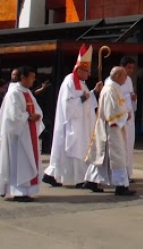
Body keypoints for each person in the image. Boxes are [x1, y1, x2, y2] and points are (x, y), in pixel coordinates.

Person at [43, 45, 100, 188]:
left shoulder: (82, 83)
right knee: (75, 150)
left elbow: (87, 101)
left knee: (76, 151)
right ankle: (78, 179)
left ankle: (53, 175)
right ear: (79, 70)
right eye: (86, 71)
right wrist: (83, 98)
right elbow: (67, 105)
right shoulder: (70, 82)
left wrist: (94, 93)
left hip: (81, 123)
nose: (88, 74)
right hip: (72, 124)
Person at [0, 66, 44, 202]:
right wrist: (29, 116)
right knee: (18, 163)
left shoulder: (27, 92)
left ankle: (25, 190)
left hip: (27, 133)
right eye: (31, 77)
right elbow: (12, 116)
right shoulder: (13, 93)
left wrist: (37, 116)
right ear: (23, 77)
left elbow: (36, 109)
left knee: (27, 161)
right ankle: (17, 191)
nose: (33, 80)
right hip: (16, 137)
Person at [84, 66, 134, 196]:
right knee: (116, 157)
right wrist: (125, 116)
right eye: (124, 75)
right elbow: (111, 112)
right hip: (112, 128)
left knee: (103, 157)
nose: (126, 78)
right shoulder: (110, 90)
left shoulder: (114, 88)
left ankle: (92, 180)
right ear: (117, 76)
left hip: (113, 128)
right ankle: (121, 185)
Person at [119, 56, 138, 182]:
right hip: (119, 118)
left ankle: (127, 172)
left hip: (129, 117)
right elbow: (116, 98)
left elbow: (128, 97)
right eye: (128, 67)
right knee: (121, 147)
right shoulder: (113, 81)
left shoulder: (129, 80)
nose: (130, 70)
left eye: (132, 68)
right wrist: (127, 96)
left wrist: (133, 98)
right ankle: (120, 175)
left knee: (129, 145)